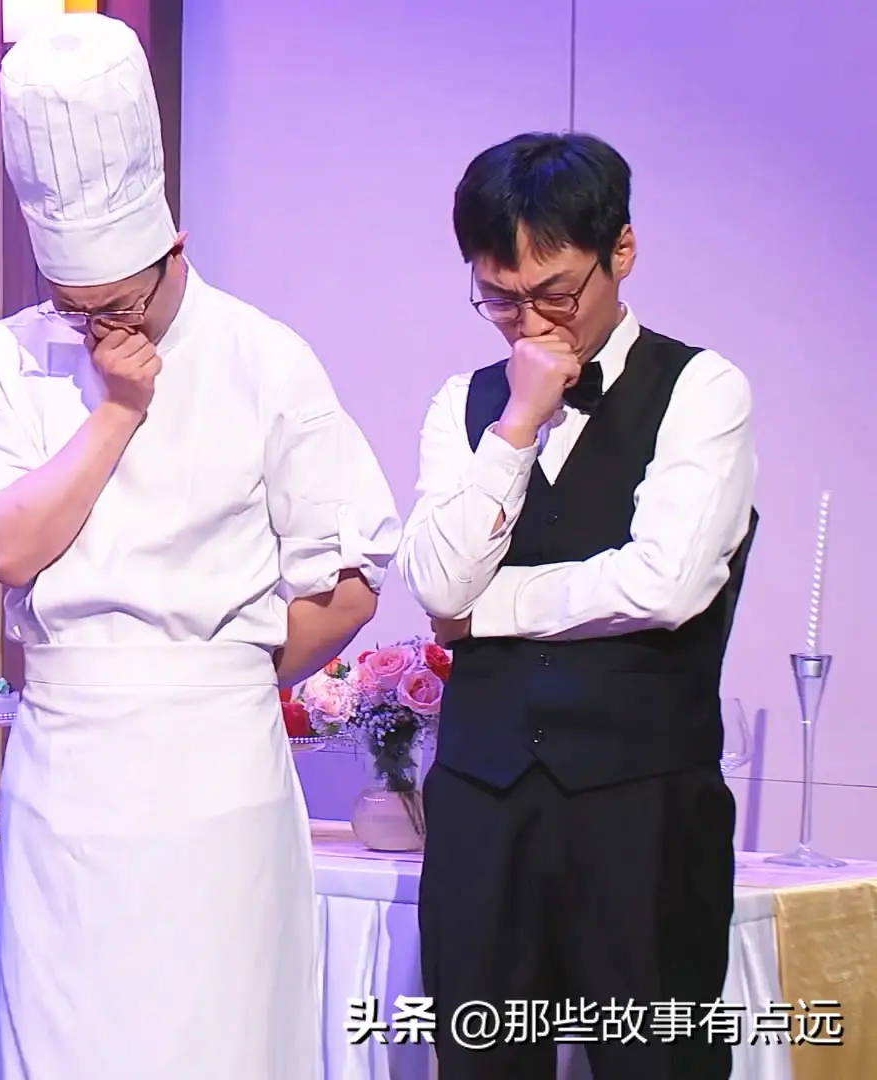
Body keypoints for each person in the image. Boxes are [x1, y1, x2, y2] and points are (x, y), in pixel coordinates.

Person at [0, 14, 402, 1078]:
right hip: (67, 760)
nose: (100, 331)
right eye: (75, 310)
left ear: (174, 251)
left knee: (219, 1039)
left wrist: (220, 676)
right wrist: (115, 411)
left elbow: (349, 584)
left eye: (117, 306)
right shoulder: (11, 354)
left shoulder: (264, 357)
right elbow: (7, 548)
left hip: (217, 771)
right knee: (65, 1038)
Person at [397, 132, 757, 1079]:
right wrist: (518, 421)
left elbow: (666, 582)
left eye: (554, 293)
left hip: (643, 811)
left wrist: (492, 610)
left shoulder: (702, 389)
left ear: (620, 251)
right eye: (499, 298)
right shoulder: (464, 403)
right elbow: (436, 585)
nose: (529, 324)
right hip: (482, 808)